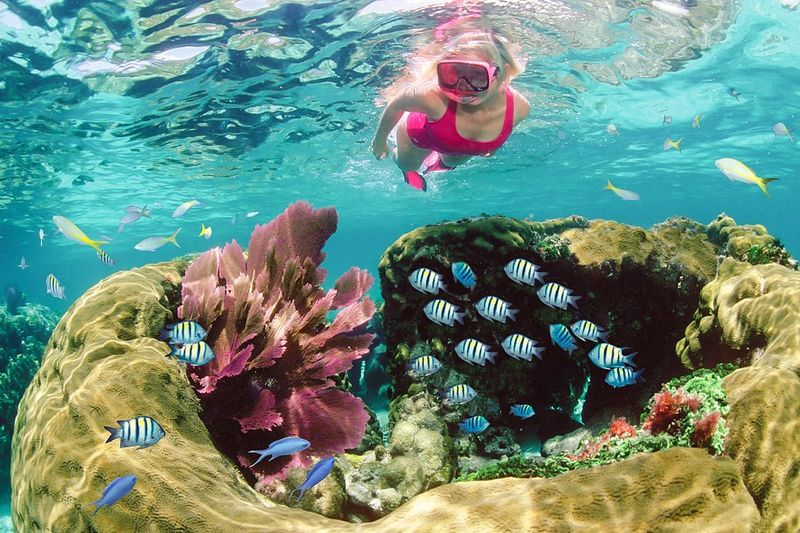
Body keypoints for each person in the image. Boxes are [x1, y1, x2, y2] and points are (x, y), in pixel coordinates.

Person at [371, 30, 530, 192]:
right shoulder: (430, 97)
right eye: (452, 74)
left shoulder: (521, 107)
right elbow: (396, 105)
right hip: (419, 133)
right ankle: (408, 170)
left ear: (504, 72)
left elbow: (506, 127)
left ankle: (440, 162)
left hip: (458, 144)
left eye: (477, 75)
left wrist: (492, 146)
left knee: (454, 162)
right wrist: (379, 141)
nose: (462, 86)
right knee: (408, 163)